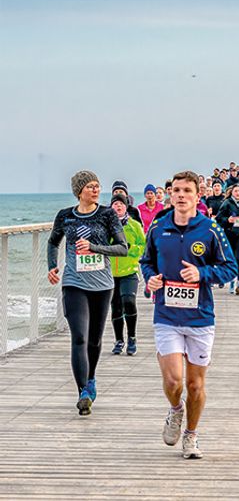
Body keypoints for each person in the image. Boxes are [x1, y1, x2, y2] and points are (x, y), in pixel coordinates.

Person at [141, 170, 236, 459]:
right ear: (170, 195)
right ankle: (175, 410)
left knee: (195, 385)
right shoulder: (158, 228)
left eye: (187, 191)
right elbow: (146, 262)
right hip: (167, 316)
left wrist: (202, 273)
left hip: (200, 317)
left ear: (197, 196)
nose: (181, 196)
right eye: (176, 191)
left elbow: (230, 268)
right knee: (174, 382)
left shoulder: (210, 230)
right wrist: (151, 279)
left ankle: (191, 436)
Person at [47, 171, 129, 415]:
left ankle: (91, 378)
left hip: (102, 285)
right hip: (73, 283)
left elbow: (123, 248)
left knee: (94, 340)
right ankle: (83, 391)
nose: (96, 190)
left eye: (97, 186)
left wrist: (93, 247)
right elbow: (53, 242)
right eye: (91, 186)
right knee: (79, 337)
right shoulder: (65, 216)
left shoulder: (107, 214)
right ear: (79, 190)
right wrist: (52, 265)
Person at [109, 194, 146, 356]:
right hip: (110, 273)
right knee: (116, 307)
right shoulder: (106, 226)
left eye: (121, 204)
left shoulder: (135, 225)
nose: (118, 206)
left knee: (129, 301)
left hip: (129, 271)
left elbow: (143, 246)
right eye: (115, 204)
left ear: (126, 207)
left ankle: (132, 337)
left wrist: (129, 250)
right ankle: (119, 340)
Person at [216, 184, 239, 295]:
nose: (238, 193)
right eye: (236, 191)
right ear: (232, 192)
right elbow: (219, 219)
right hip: (229, 233)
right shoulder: (227, 203)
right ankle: (231, 281)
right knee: (230, 259)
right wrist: (227, 220)